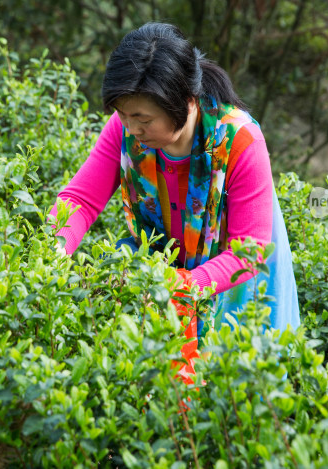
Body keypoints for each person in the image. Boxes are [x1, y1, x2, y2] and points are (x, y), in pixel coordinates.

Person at [50, 23, 300, 381]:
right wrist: (55, 251)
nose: (131, 129)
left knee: (232, 398)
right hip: (170, 277)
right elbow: (81, 199)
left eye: (144, 119)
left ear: (184, 102)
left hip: (235, 284)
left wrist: (183, 285)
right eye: (123, 115)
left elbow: (250, 251)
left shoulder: (239, 139)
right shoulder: (123, 129)